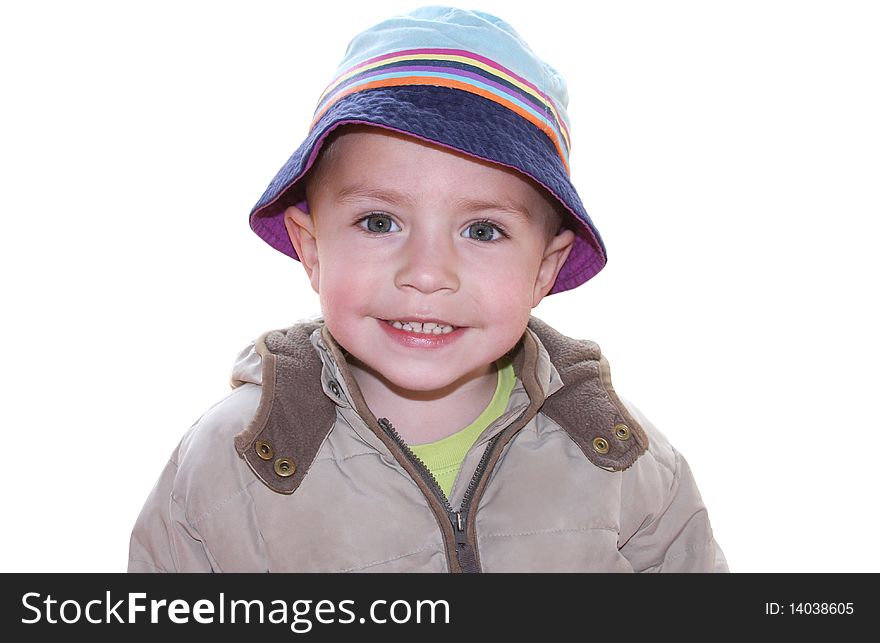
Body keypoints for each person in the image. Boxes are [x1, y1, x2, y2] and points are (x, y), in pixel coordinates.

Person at [128, 6, 727, 573]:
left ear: (544, 269)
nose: (427, 272)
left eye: (483, 230)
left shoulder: (618, 458)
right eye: (380, 222)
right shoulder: (233, 460)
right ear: (312, 248)